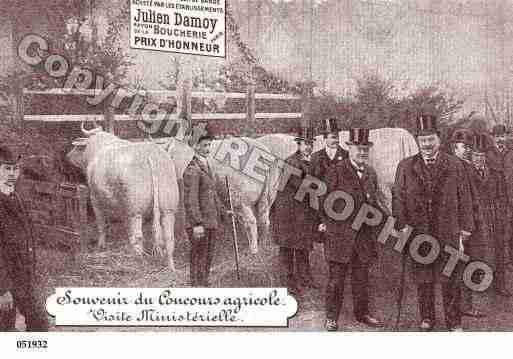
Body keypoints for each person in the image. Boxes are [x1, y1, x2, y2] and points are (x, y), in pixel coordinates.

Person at [393, 114, 473, 331]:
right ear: (417, 141)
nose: (426, 144)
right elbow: (398, 198)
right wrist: (401, 226)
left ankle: (454, 321)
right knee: (424, 276)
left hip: (448, 229)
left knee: (450, 277)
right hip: (419, 231)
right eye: (422, 140)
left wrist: (465, 230)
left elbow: (465, 198)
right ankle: (427, 317)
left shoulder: (455, 165)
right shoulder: (406, 166)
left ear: (439, 139)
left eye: (430, 139)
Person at [320, 128, 383, 331]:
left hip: (364, 237)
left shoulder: (371, 173)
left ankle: (362, 313)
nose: (362, 152)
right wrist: (326, 223)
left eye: (365, 149)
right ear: (349, 149)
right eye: (358, 148)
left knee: (362, 279)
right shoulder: (336, 171)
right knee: (336, 281)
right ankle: (331, 317)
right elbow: (322, 200)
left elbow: (374, 203)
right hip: (340, 236)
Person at [0, 145, 49, 331]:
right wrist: (3, 290)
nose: (12, 174)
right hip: (5, 281)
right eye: (6, 168)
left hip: (24, 278)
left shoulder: (15, 196)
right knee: (5, 329)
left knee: (39, 324)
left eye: (15, 168)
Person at [270, 126, 319, 296]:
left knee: (303, 245)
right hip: (287, 213)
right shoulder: (292, 162)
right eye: (305, 144)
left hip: (301, 212)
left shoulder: (309, 162)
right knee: (288, 247)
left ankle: (305, 277)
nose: (308, 147)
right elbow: (302, 187)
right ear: (298, 145)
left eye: (310, 143)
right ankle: (289, 283)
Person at [183, 124, 227, 287]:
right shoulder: (192, 169)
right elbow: (190, 199)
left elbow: (212, 194)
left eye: (209, 145)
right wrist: (197, 223)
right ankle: (196, 285)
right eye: (204, 146)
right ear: (195, 146)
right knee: (198, 255)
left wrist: (223, 211)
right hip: (200, 223)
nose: (208, 149)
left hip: (210, 221)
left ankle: (204, 282)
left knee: (208, 255)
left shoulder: (207, 166)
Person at [450, 129, 486, 318]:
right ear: (454, 147)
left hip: (473, 224)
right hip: (457, 225)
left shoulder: (470, 167)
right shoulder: (449, 167)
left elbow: (477, 196)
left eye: (469, 147)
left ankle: (466, 304)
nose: (467, 150)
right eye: (464, 146)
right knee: (457, 265)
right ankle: (457, 305)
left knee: (471, 263)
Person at [472, 133, 511, 298]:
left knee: (498, 249)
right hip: (476, 218)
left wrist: (500, 214)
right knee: (476, 251)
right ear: (471, 156)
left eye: (481, 156)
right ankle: (476, 281)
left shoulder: (496, 174)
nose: (479, 159)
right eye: (476, 155)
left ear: (486, 156)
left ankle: (500, 284)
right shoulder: (466, 174)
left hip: (494, 217)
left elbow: (503, 196)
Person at [487, 124, 513, 271]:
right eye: (497, 136)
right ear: (492, 138)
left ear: (507, 136)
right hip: (497, 201)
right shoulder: (488, 154)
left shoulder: (511, 153)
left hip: (511, 199)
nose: (500, 139)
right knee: (500, 232)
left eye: (502, 136)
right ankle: (501, 264)